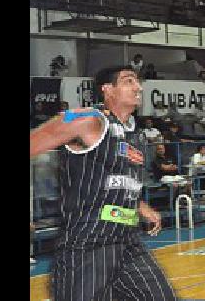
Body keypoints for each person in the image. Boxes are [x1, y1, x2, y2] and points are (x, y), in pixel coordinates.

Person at [29, 66, 176, 301]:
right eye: (129, 81)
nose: (138, 87)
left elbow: (116, 178)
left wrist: (139, 205)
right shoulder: (87, 118)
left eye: (138, 82)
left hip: (128, 240)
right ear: (108, 90)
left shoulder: (136, 135)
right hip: (88, 243)